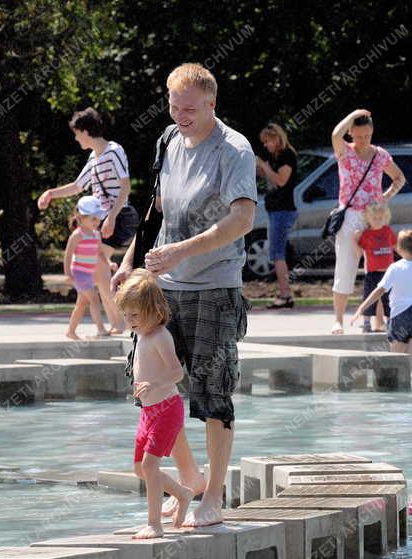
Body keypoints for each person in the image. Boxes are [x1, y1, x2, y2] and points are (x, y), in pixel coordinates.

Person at [111, 62, 256, 527]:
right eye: (173, 106)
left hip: (214, 286)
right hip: (163, 289)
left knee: (213, 393)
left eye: (189, 108)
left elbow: (241, 220)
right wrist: (131, 259)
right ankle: (189, 476)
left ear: (212, 103)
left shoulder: (234, 150)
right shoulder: (169, 140)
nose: (179, 116)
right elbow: (155, 207)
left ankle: (213, 494)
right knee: (150, 386)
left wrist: (182, 251)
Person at [115, 270, 194, 538]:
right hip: (149, 412)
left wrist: (156, 385)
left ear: (154, 310)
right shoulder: (141, 336)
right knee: (139, 468)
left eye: (135, 315)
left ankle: (154, 524)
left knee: (150, 466)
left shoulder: (160, 336)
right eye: (126, 316)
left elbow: (177, 373)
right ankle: (182, 493)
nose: (130, 321)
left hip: (167, 409)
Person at [38, 107, 132, 332]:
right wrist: (51, 193)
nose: (75, 137)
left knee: (100, 272)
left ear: (86, 131)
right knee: (100, 274)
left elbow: (125, 186)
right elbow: (78, 186)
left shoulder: (113, 150)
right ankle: (119, 323)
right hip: (101, 221)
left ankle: (120, 323)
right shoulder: (93, 157)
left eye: (76, 133)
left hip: (118, 217)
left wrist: (111, 217)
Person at [330, 109, 406, 334]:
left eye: (367, 135)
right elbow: (335, 135)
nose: (362, 140)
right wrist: (352, 115)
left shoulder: (380, 154)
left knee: (380, 268)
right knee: (345, 267)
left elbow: (399, 178)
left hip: (375, 217)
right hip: (350, 215)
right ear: (351, 133)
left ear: (372, 132)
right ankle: (338, 320)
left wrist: (384, 199)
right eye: (358, 135)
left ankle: (379, 320)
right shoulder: (345, 151)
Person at [350, 229, 412, 363]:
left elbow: (380, 290)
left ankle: (397, 380)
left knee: (396, 359)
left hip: (400, 315)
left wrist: (361, 308)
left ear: (398, 249)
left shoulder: (395, 267)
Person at [256, 122, 299, 309]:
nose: (266, 145)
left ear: (277, 138)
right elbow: (269, 176)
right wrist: (260, 168)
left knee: (277, 254)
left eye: (268, 141)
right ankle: (284, 293)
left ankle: (285, 295)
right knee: (276, 253)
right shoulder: (276, 157)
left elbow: (281, 180)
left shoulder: (287, 155)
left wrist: (264, 167)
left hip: (283, 211)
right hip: (275, 211)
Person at [63, 196, 111, 340]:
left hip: (88, 274)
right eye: (93, 219)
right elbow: (68, 255)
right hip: (78, 273)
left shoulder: (96, 235)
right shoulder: (77, 235)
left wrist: (109, 263)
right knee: (94, 299)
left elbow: (100, 253)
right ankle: (101, 329)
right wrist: (67, 274)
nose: (97, 222)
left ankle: (71, 331)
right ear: (80, 217)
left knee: (82, 303)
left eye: (98, 219)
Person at [357, 201, 395, 332]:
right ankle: (366, 323)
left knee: (389, 298)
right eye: (374, 218)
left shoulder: (388, 231)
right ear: (368, 218)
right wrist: (354, 239)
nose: (378, 221)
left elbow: (394, 246)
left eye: (380, 218)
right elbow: (360, 250)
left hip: (388, 272)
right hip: (372, 272)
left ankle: (390, 323)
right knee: (369, 296)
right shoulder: (366, 234)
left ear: (385, 218)